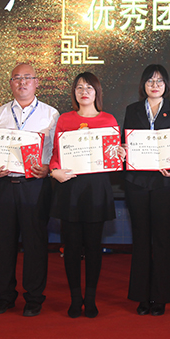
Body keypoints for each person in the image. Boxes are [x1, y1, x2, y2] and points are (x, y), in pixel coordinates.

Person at [0, 63, 58, 317]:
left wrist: (48, 168)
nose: (22, 82)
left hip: (34, 186)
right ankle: (4, 296)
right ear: (10, 84)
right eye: (17, 78)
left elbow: (56, 151)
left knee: (35, 243)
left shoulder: (51, 114)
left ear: (36, 82)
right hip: (3, 186)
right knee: (3, 243)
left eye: (28, 78)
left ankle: (34, 297)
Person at [50, 72, 123, 318]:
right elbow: (55, 155)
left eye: (89, 87)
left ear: (97, 92)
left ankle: (90, 299)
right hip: (70, 188)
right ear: (74, 92)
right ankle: (75, 299)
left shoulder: (108, 120)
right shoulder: (65, 119)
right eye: (79, 87)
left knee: (93, 247)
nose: (84, 92)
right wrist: (54, 171)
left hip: (96, 189)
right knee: (71, 248)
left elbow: (113, 158)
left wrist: (119, 155)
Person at [122, 64, 170, 316]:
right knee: (140, 240)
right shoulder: (132, 110)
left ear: (166, 85)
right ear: (143, 85)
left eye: (159, 81)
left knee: (161, 239)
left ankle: (160, 296)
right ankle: (142, 296)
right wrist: (122, 150)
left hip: (164, 184)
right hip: (137, 183)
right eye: (150, 81)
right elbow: (126, 142)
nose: (155, 85)